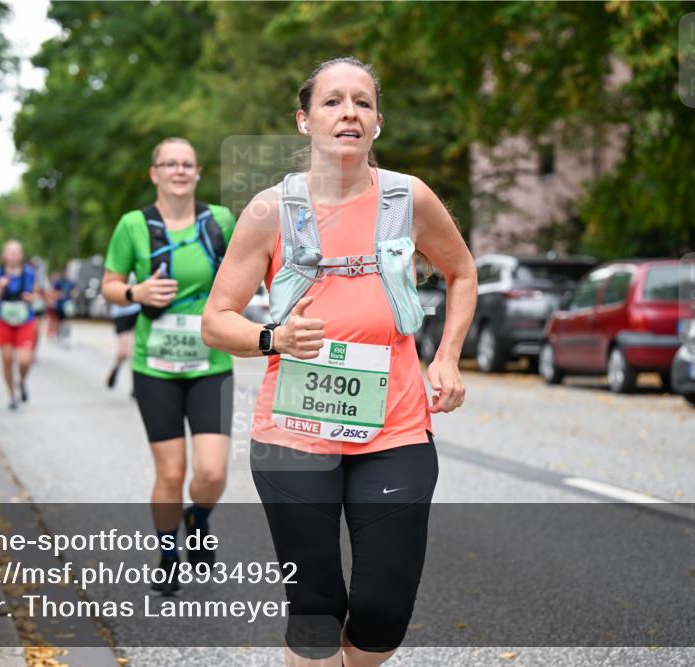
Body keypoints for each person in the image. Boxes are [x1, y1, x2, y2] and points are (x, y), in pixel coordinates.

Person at [202, 57, 477, 666]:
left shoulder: (409, 198)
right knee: (316, 604)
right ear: (304, 121)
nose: (348, 112)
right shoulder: (269, 211)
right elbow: (216, 320)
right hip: (293, 433)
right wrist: (273, 338)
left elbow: (460, 272)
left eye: (362, 102)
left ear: (378, 122)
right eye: (332, 101)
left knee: (383, 611)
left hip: (396, 429)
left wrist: (448, 357)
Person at [101, 137, 237, 596]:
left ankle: (197, 519)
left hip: (210, 361)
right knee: (172, 473)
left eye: (187, 164)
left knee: (213, 472)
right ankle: (167, 552)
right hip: (154, 364)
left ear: (197, 172)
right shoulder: (133, 225)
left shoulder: (220, 221)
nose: (179, 170)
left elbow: (251, 270)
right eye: (169, 163)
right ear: (154, 172)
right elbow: (110, 284)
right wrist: (134, 294)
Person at [0, 240, 38, 410]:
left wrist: (31, 298)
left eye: (17, 252)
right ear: (4, 255)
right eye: (10, 252)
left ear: (21, 255)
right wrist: (0, 287)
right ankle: (12, 395)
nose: (14, 255)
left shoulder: (29, 273)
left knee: (25, 360)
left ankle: (22, 381)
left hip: (25, 320)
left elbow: (37, 294)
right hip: (3, 320)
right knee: (7, 360)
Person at [106, 280, 140, 390]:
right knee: (124, 352)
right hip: (122, 314)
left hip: (139, 312)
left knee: (136, 352)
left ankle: (135, 386)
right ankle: (116, 367)